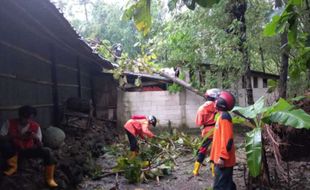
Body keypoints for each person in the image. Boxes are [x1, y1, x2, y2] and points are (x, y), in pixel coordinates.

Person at [0, 105, 58, 188]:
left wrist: (36, 139)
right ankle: (12, 167)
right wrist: (16, 136)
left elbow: (40, 146)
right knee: (4, 144)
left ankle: (49, 178)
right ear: (20, 116)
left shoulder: (35, 126)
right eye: (25, 118)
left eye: (30, 118)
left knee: (47, 151)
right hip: (12, 152)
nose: (28, 120)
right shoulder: (9, 123)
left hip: (27, 150)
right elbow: (1, 137)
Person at [210, 91, 236, 190]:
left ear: (221, 102)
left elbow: (228, 140)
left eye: (217, 99)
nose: (215, 101)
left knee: (220, 186)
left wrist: (222, 157)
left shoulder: (225, 117)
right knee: (227, 184)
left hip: (223, 161)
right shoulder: (221, 116)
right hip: (221, 159)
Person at [192, 88, 221, 176]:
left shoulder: (201, 108)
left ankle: (196, 171)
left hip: (206, 133)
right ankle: (214, 172)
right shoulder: (219, 107)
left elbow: (199, 123)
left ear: (207, 97)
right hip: (216, 131)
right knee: (215, 150)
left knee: (203, 150)